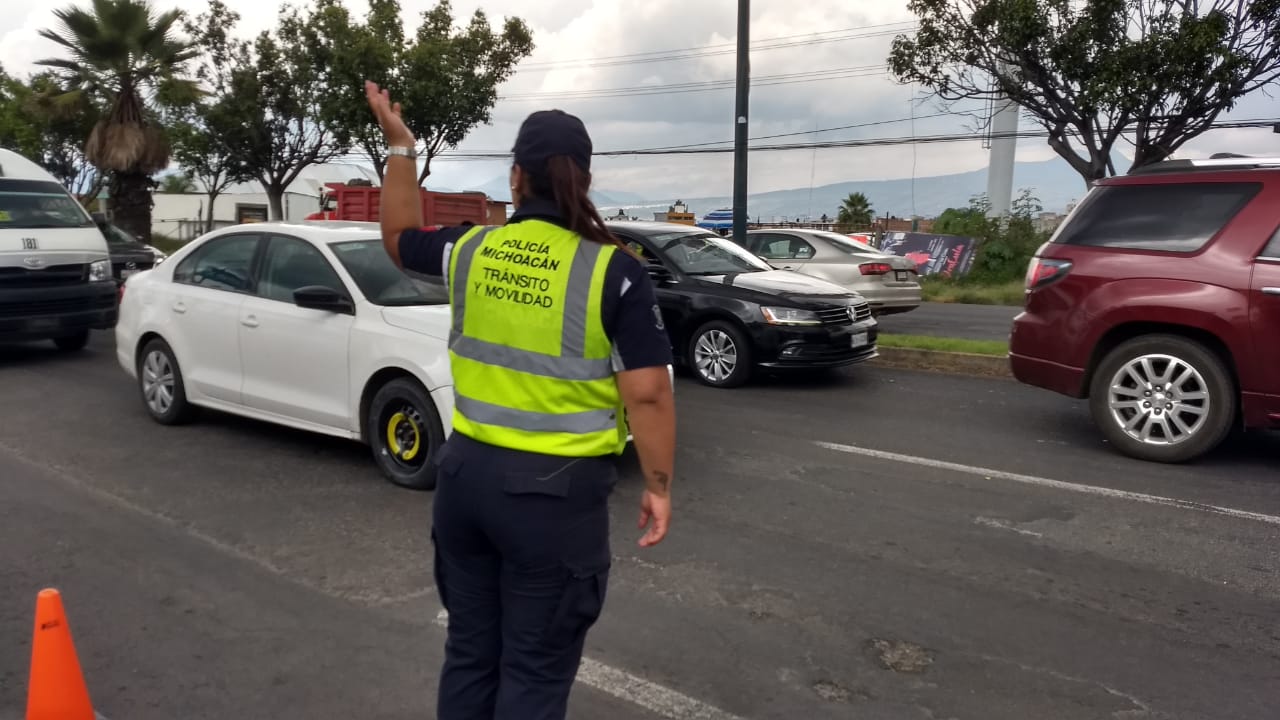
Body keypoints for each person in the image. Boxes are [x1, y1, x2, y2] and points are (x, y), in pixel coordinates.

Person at [363, 81, 677, 720]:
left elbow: (396, 237)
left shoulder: (470, 249)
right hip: (552, 507)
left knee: (472, 653)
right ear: (583, 182)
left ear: (515, 178)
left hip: (464, 482)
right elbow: (647, 393)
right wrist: (659, 485)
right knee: (532, 671)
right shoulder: (613, 270)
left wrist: (401, 148)